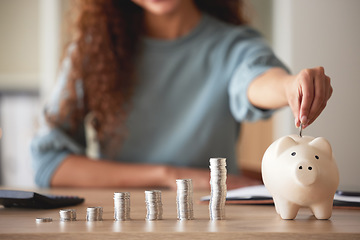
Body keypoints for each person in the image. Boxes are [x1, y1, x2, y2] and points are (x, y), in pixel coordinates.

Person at [31, 0, 332, 189]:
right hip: (120, 224)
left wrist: (291, 86)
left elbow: (256, 79)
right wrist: (168, 175)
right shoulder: (93, 51)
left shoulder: (233, 45)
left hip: (215, 224)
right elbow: (48, 163)